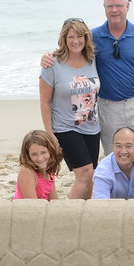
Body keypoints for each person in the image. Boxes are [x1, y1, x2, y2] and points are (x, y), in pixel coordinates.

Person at [42, 0, 134, 154]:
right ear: (104, 8)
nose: (114, 10)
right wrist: (49, 57)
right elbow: (71, 52)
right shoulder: (93, 37)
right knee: (114, 156)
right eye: (110, 6)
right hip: (107, 107)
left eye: (119, 5)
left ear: (127, 6)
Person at [39, 18, 100, 199]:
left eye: (80, 36)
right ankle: (68, 215)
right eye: (71, 37)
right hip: (65, 127)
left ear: (86, 38)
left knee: (91, 175)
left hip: (92, 127)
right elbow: (44, 102)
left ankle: (85, 214)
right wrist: (50, 133)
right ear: (64, 39)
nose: (76, 41)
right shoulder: (53, 64)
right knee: (84, 173)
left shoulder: (92, 59)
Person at [92, 126, 134, 199]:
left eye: (128, 146)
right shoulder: (103, 172)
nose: (123, 151)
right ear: (113, 148)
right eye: (118, 146)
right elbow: (100, 205)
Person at [13, 130, 62, 200]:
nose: (40, 158)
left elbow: (54, 201)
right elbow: (33, 205)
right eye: (34, 154)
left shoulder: (48, 169)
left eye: (43, 152)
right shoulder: (27, 172)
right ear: (27, 155)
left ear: (51, 150)